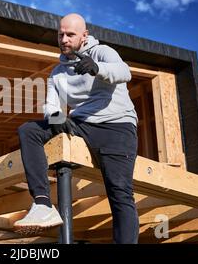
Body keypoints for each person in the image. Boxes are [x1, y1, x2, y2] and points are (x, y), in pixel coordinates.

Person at [13, 13, 139, 244]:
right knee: (29, 130)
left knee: (120, 193)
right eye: (60, 34)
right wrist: (55, 116)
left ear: (84, 36)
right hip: (80, 125)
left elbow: (125, 72)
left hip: (116, 127)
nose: (64, 39)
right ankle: (42, 203)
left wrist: (96, 68)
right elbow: (51, 105)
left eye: (70, 34)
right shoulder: (58, 72)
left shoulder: (103, 52)